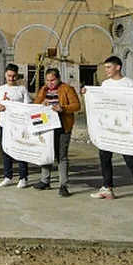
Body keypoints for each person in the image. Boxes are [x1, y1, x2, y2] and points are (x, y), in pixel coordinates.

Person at [88, 56, 133, 209]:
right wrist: (88, 93)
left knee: (131, 161)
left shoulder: (128, 83)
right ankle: (107, 187)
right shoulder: (105, 84)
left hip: (124, 129)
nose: (106, 70)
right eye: (105, 68)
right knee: (104, 157)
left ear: (117, 67)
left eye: (108, 67)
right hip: (109, 128)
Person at [32, 68, 81, 197]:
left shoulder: (67, 89)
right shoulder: (44, 90)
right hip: (47, 128)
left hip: (63, 127)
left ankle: (63, 185)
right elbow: (35, 105)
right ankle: (45, 180)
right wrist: (42, 103)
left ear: (58, 78)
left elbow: (76, 105)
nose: (50, 83)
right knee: (46, 154)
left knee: (62, 156)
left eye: (52, 80)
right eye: (48, 80)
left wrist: (62, 108)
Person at [0, 63, 32, 189]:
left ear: (17, 76)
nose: (11, 78)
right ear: (5, 75)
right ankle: (7, 176)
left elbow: (28, 106)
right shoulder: (0, 89)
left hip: (19, 126)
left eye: (14, 76)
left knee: (21, 151)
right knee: (6, 151)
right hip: (4, 125)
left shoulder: (22, 89)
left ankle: (23, 177)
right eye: (9, 76)